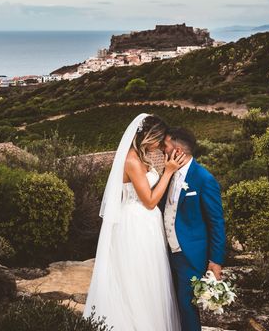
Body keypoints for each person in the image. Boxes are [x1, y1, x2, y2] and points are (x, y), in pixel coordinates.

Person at [83, 113, 185, 330]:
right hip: (136, 224)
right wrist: (168, 172)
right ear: (149, 136)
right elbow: (148, 201)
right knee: (137, 276)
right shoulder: (131, 160)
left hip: (147, 224)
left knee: (150, 277)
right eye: (159, 140)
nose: (159, 146)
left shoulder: (141, 157)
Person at [160, 127, 227, 331]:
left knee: (187, 307)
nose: (162, 150)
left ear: (178, 151)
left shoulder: (204, 179)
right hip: (166, 252)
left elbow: (217, 222)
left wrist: (215, 262)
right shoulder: (168, 172)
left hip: (190, 255)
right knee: (171, 306)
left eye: (166, 146)